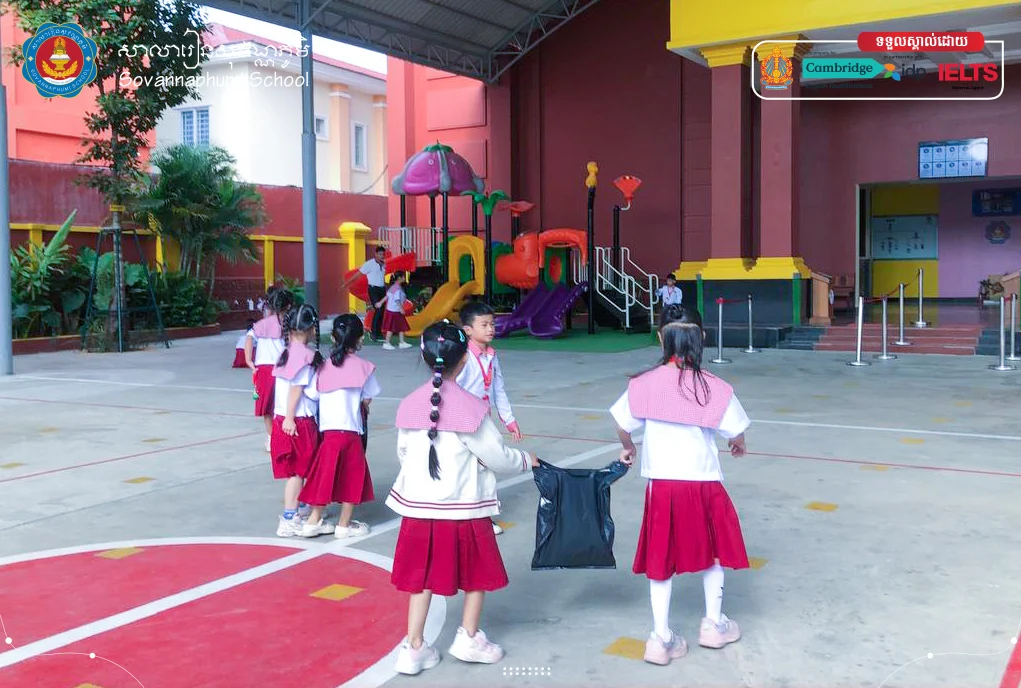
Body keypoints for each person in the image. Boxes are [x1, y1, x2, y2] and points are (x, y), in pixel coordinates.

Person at [386, 321, 539, 676]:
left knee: (421, 577)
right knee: (475, 574)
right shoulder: (471, 409)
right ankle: (468, 638)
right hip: (464, 507)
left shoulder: (408, 404)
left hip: (418, 507)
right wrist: (525, 460)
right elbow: (496, 457)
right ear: (465, 359)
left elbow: (403, 453)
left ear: (424, 357)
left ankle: (413, 647)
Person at [610, 304, 751, 666]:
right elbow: (735, 431)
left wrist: (628, 447)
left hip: (662, 485)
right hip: (703, 482)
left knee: (661, 557)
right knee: (714, 552)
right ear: (702, 337)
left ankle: (660, 638)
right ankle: (713, 624)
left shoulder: (643, 384)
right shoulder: (714, 387)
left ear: (661, 338)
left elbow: (622, 423)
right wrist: (737, 444)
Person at [298, 314, 380, 539]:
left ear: (334, 337)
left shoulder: (322, 367)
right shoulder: (364, 367)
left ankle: (313, 521)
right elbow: (368, 396)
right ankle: (344, 524)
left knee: (324, 476)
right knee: (352, 477)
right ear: (360, 339)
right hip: (351, 432)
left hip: (329, 433)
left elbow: (312, 394)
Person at [456, 301, 522, 536]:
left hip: (483, 422)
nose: (490, 329)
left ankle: (482, 517)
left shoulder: (492, 356)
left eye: (492, 324)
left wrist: (509, 420)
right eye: (484, 325)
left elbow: (499, 389)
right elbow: (452, 390)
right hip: (462, 424)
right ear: (468, 330)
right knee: (468, 471)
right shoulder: (462, 358)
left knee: (484, 471)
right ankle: (469, 517)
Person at [270, 304, 324, 538]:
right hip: (297, 420)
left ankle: (298, 510)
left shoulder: (285, 353)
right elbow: (296, 388)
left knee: (297, 471)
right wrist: (290, 418)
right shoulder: (305, 355)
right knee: (298, 472)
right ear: (312, 328)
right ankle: (289, 518)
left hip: (283, 418)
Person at [246, 287, 295, 452]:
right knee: (281, 404)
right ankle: (278, 437)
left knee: (267, 406)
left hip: (264, 369)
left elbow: (249, 337)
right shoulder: (289, 323)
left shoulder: (263, 323)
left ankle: (271, 436)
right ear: (288, 306)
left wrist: (249, 360)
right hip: (281, 368)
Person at [344, 245, 388, 341]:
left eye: (383, 254)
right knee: (378, 309)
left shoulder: (384, 264)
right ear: (376, 254)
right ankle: (373, 333)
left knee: (382, 311)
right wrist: (347, 283)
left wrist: (386, 287)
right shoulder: (369, 264)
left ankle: (379, 333)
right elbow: (358, 274)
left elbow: (382, 277)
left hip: (382, 289)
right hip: (373, 289)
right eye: (380, 254)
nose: (382, 256)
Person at [377, 273, 413, 351]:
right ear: (399, 278)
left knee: (401, 326)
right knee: (391, 328)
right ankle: (387, 343)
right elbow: (397, 300)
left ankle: (402, 342)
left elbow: (387, 296)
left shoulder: (394, 286)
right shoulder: (397, 288)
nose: (405, 278)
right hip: (394, 311)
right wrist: (401, 308)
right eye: (403, 277)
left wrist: (380, 302)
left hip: (393, 310)